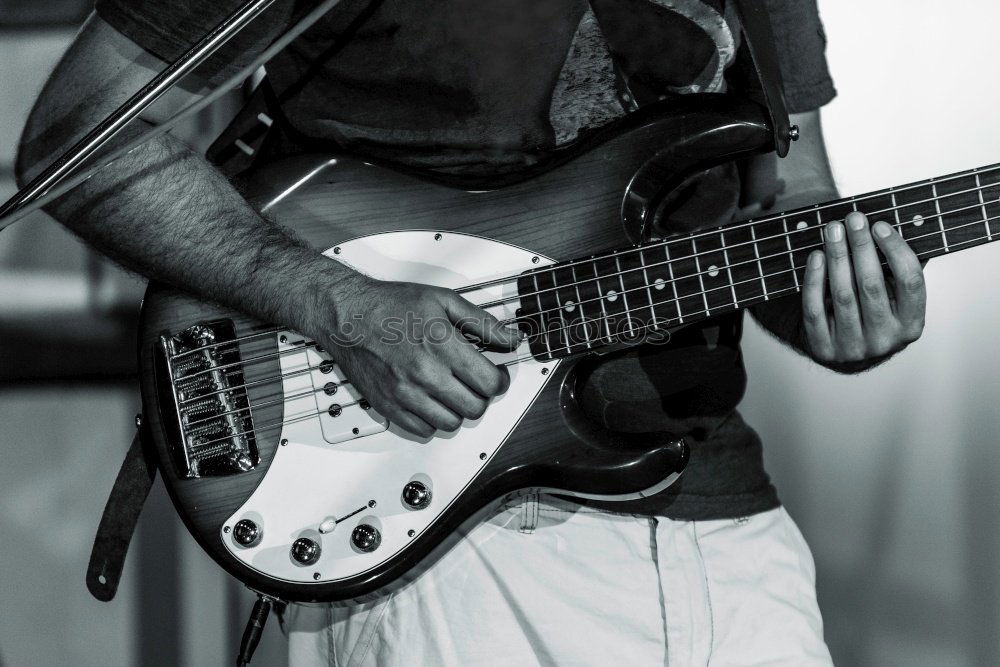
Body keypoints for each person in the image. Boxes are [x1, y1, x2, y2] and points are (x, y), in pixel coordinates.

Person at [16, 1, 926, 664]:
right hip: (440, 513)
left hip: (716, 504)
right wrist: (338, 305)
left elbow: (788, 198)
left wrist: (850, 303)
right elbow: (79, 131)